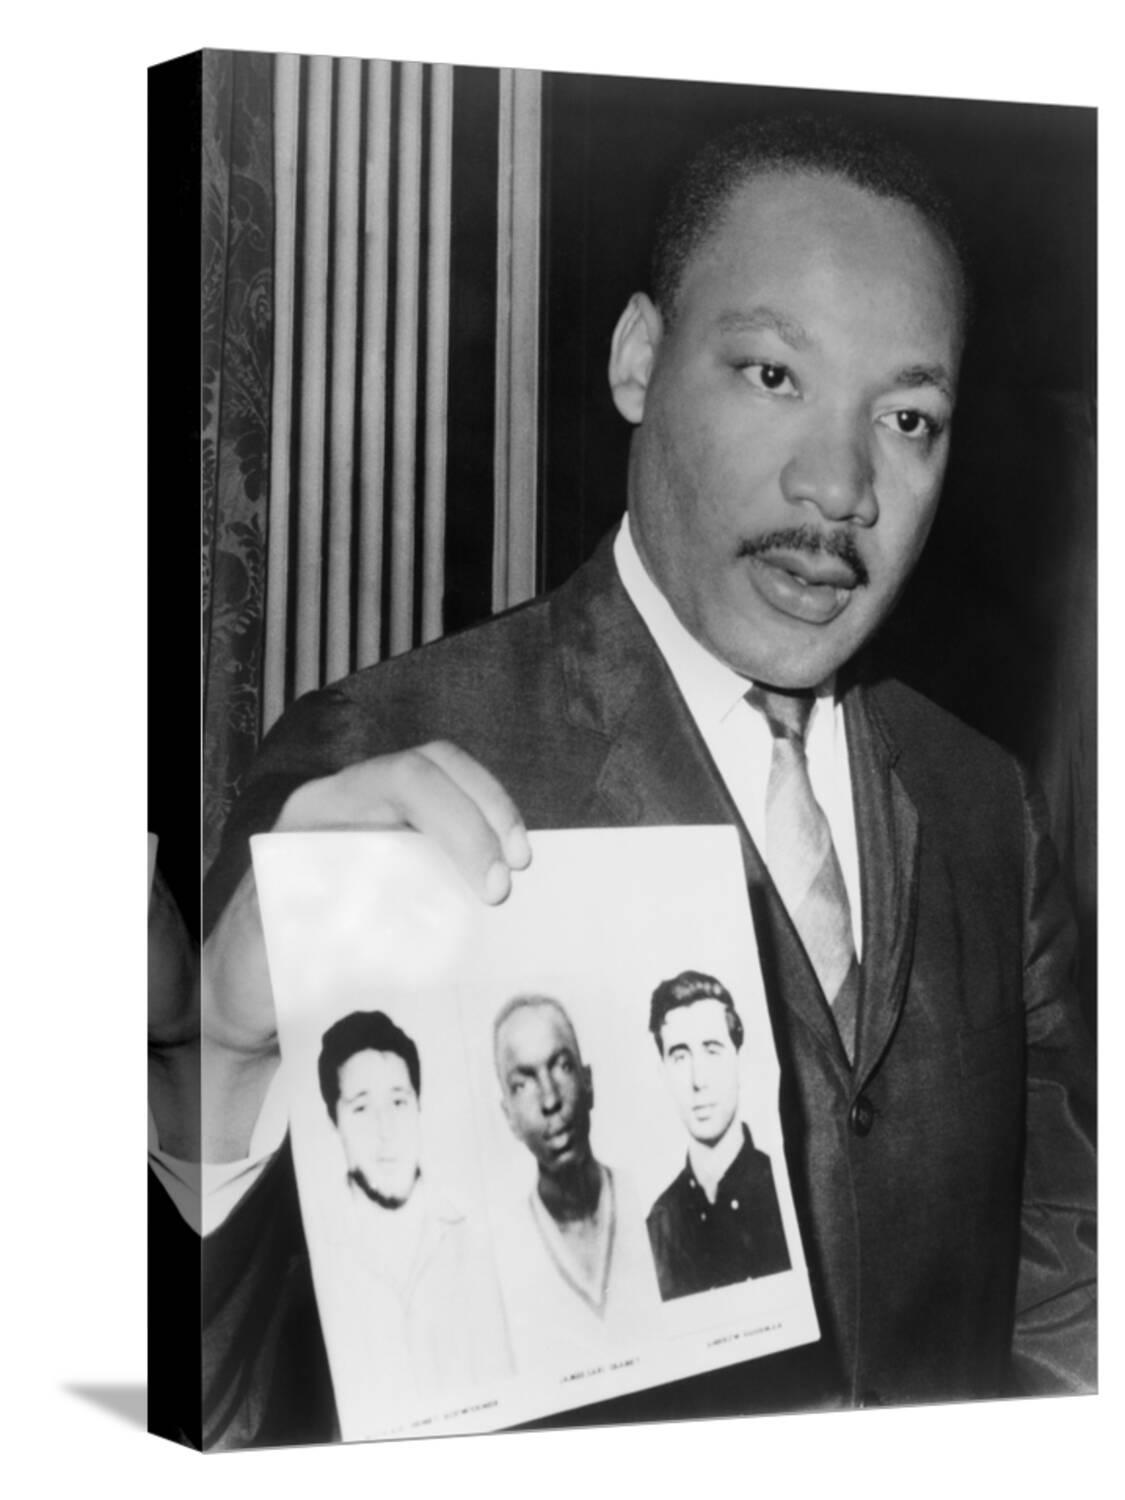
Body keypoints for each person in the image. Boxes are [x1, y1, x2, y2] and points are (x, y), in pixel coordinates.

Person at [189, 113, 1096, 1445]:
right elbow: (205, 1402)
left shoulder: (980, 804)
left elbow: (1060, 1272)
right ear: (637, 358)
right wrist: (218, 1066)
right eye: (773, 373)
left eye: (907, 417)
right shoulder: (373, 764)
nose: (837, 486)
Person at [312, 1011, 513, 1429]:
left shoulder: (475, 1239)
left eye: (399, 1102)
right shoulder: (314, 1259)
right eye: (362, 1107)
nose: (386, 1130)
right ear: (335, 1119)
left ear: (419, 1105)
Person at [490, 996, 659, 1370]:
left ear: (589, 1082)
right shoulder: (501, 1255)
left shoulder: (650, 1203)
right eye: (523, 1084)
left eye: (562, 1066)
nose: (550, 1098)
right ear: (509, 1118)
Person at [646, 972, 790, 1300]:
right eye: (680, 1056)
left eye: (712, 1050)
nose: (698, 1079)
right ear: (663, 1072)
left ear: (738, 1059)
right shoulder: (656, 1228)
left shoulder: (785, 1191)